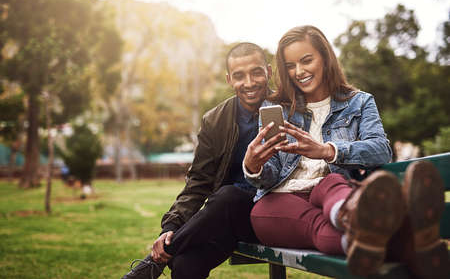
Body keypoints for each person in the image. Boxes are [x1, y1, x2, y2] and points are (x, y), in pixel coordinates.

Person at [243, 25, 449, 278]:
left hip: (334, 192)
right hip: (283, 202)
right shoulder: (276, 108)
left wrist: (329, 151)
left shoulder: (359, 102)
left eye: (307, 60)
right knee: (265, 212)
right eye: (290, 66)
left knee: (331, 181)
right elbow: (270, 174)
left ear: (325, 57)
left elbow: (381, 150)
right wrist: (254, 166)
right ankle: (404, 240)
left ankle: (355, 219)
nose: (299, 72)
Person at [122, 42, 278, 279]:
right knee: (185, 264)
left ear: (269, 70)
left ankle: (152, 264)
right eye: (239, 76)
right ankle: (168, 253)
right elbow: (199, 181)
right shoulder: (215, 121)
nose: (249, 83)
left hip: (273, 216)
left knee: (228, 195)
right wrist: (171, 227)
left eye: (256, 72)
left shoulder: (289, 108)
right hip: (227, 220)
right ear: (228, 80)